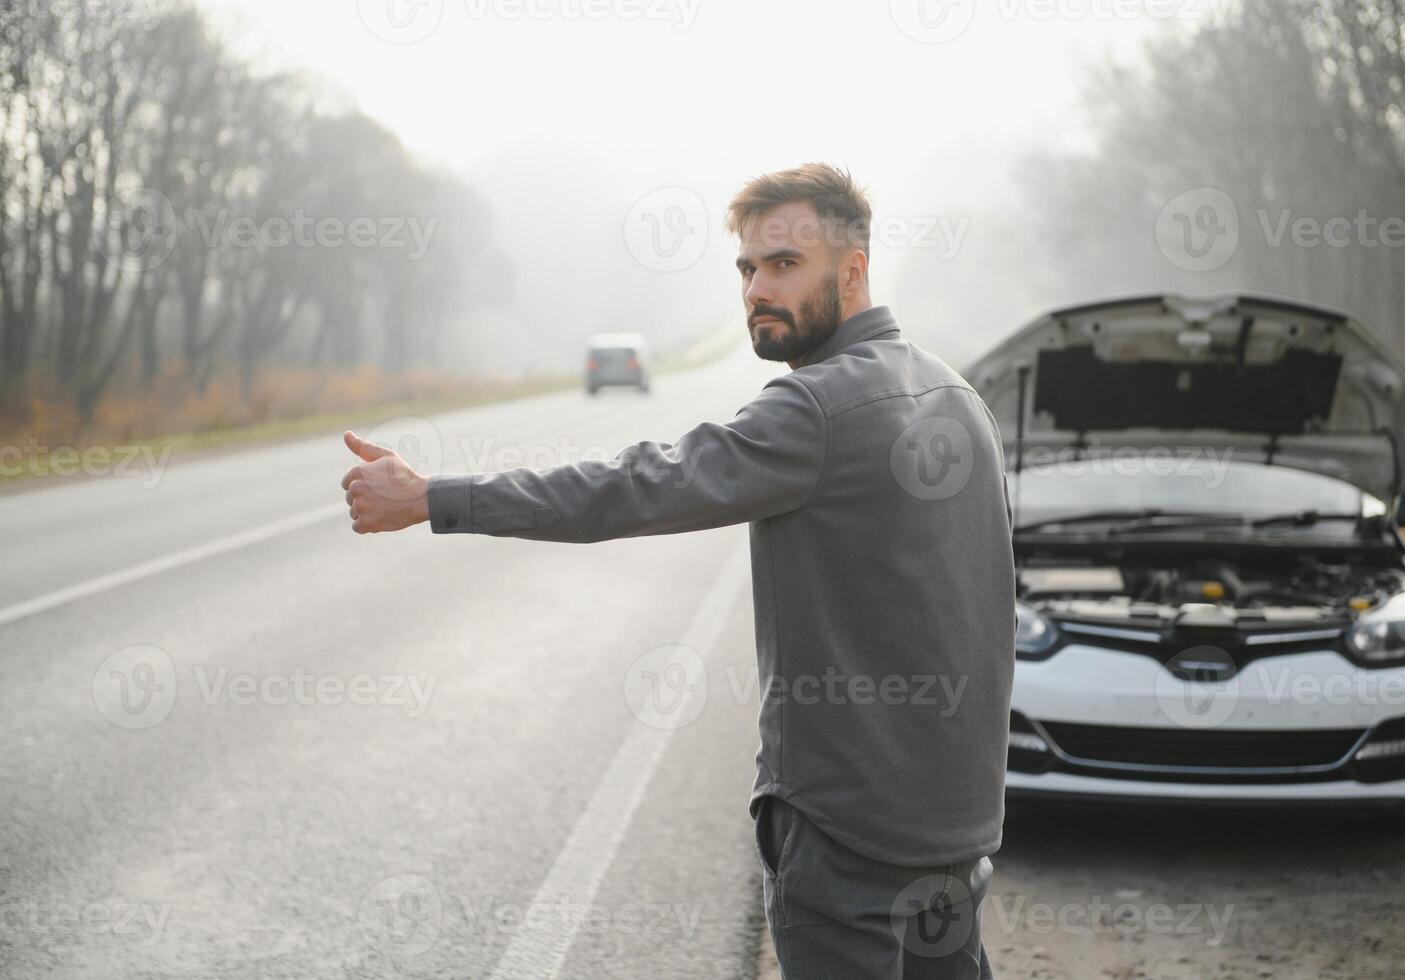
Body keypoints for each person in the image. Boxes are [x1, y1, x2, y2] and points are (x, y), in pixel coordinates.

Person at [339, 162, 1014, 979]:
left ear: (854, 270)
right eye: (746, 267)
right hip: (956, 833)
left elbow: (634, 486)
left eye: (784, 264)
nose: (757, 287)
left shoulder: (816, 409)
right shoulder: (958, 397)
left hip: (849, 835)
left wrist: (432, 496)